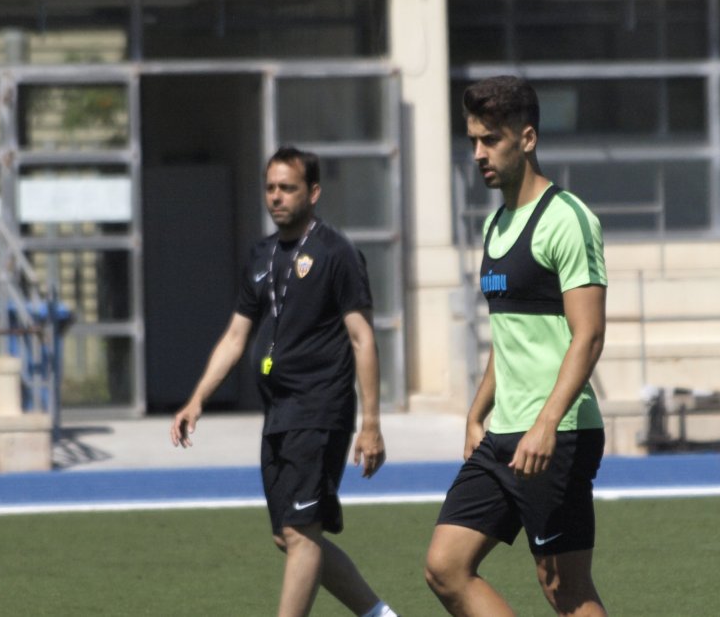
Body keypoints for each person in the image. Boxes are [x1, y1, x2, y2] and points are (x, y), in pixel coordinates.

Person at [170, 147, 399, 617]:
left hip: (320, 408)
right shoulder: (262, 254)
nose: (276, 197)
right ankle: (380, 615)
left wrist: (372, 424)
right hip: (278, 413)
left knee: (301, 531)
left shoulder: (336, 253)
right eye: (271, 188)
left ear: (312, 193)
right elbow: (235, 336)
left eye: (288, 188)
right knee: (288, 535)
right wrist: (196, 400)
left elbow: (362, 339)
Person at [425, 76, 609, 617]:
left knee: (562, 587)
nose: (478, 154)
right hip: (503, 434)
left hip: (558, 433)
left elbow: (589, 335)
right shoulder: (495, 224)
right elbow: (509, 335)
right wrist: (475, 413)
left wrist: (546, 424)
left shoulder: (568, 218)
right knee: (445, 566)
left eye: (491, 140)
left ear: (527, 138)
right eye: (473, 141)